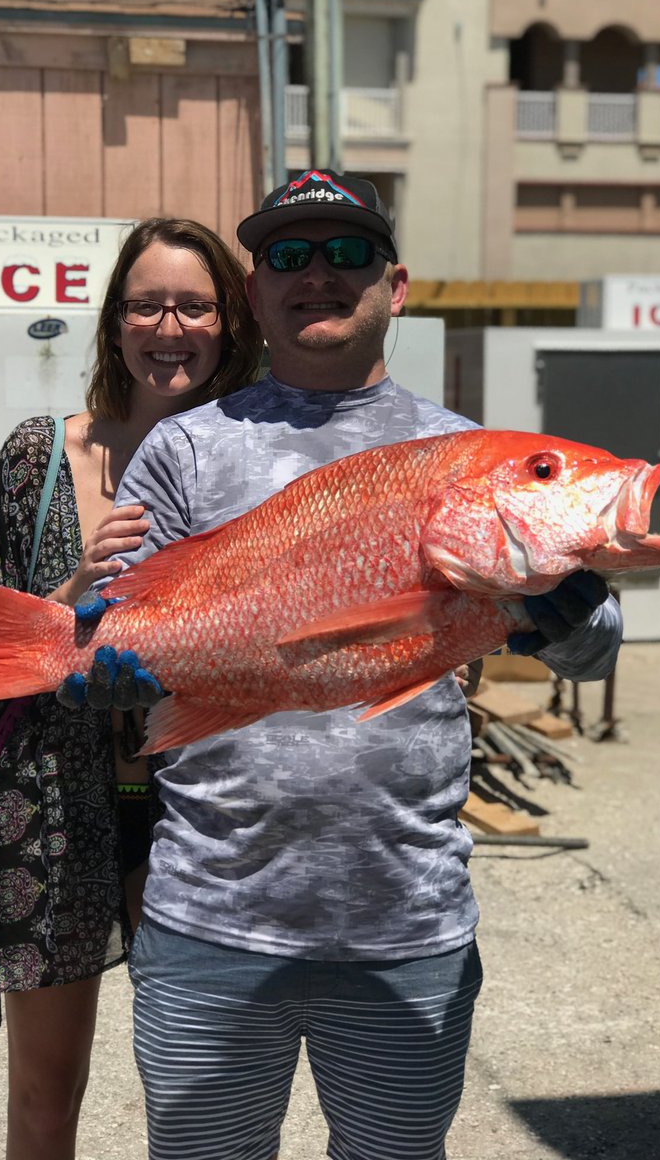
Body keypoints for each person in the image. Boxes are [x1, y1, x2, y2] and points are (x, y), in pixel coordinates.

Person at [84, 171, 623, 1160]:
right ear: (256, 293)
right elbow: (122, 615)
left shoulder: (474, 456)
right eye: (288, 255)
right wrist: (98, 652)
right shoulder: (189, 447)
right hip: (211, 916)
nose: (318, 275)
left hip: (406, 923)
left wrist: (568, 612)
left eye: (347, 253)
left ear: (397, 283)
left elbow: (596, 649)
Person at [0, 217, 262, 1160]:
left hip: (202, 806)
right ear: (115, 324)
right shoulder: (42, 457)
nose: (171, 326)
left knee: (210, 1087)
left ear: (230, 324)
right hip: (50, 808)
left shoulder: (253, 466)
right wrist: (77, 587)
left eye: (195, 305)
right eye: (146, 304)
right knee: (48, 1099)